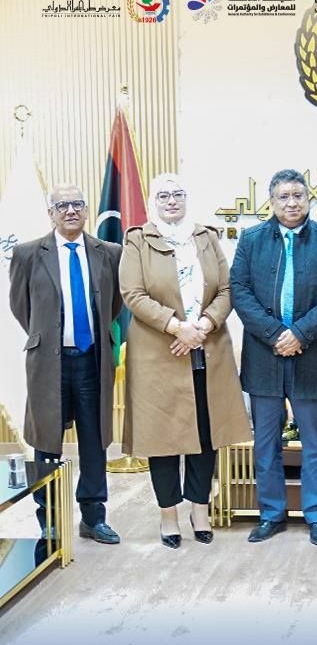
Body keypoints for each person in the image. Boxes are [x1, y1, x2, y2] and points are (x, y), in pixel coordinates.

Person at [119, 173, 251, 548]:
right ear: (153, 201)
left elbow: (226, 289)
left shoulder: (205, 237)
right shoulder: (137, 240)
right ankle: (168, 516)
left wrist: (204, 325)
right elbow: (133, 293)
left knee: (206, 435)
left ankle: (200, 510)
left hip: (207, 349)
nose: (172, 201)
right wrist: (177, 327)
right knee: (162, 439)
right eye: (164, 195)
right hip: (158, 352)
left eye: (178, 194)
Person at [230, 169, 317, 546]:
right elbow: (239, 290)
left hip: (311, 355)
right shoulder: (251, 239)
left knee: (316, 444)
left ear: (309, 200)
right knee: (266, 444)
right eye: (283, 196)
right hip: (263, 357)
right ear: (271, 201)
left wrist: (300, 333)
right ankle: (271, 513)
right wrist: (274, 334)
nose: (292, 203)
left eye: (298, 195)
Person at [9, 183, 122, 543]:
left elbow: (114, 306)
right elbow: (20, 306)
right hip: (48, 364)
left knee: (94, 441)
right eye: (62, 206)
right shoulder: (28, 254)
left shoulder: (109, 252)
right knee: (46, 443)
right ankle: (50, 522)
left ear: (86, 209)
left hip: (92, 361)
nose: (71, 210)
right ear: (51, 213)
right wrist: (49, 335)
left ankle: (93, 518)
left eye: (77, 204)